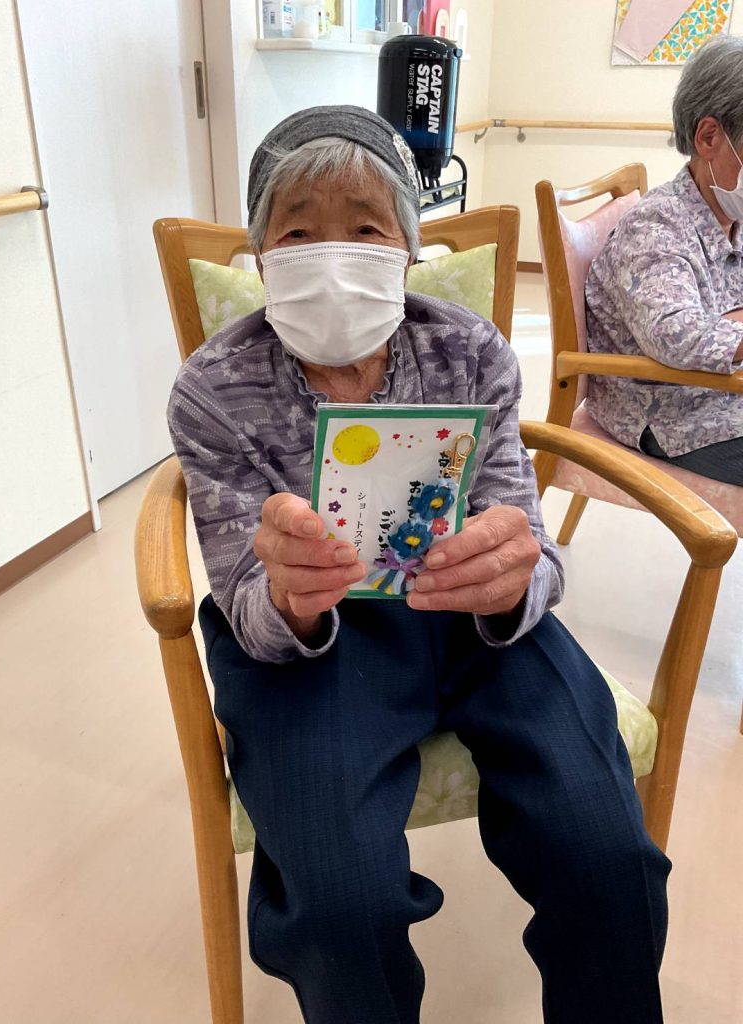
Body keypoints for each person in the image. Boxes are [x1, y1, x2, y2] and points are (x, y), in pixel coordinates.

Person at [168, 105, 670, 1024]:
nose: (332, 254)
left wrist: (515, 576)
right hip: (311, 645)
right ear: (261, 255)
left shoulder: (470, 351)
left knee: (607, 856)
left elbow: (527, 542)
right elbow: (242, 593)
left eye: (366, 228)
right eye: (297, 231)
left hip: (474, 617)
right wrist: (289, 596)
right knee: (341, 908)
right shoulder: (212, 389)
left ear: (407, 247)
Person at [586, 35, 743, 486]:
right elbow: (674, 333)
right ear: (709, 137)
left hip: (722, 395)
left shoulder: (730, 216)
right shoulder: (656, 225)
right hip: (674, 415)